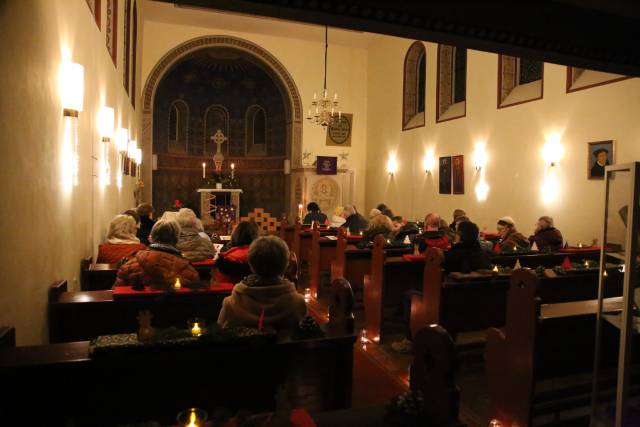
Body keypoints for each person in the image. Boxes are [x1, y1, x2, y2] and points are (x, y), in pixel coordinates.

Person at [392, 220, 489, 354]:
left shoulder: (451, 255)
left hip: (448, 305)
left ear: (460, 235)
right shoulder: (483, 256)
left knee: (409, 296)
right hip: (478, 307)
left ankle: (409, 340)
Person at [217, 236, 307, 330]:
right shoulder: (298, 303)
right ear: (285, 265)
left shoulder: (231, 304)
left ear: (251, 264)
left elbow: (219, 335)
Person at [114, 219, 199, 287]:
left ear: (152, 236)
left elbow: (117, 295)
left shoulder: (129, 267)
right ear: (176, 238)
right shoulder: (189, 272)